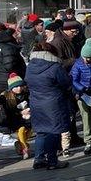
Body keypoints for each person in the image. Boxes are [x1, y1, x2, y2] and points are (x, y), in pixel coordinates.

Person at [25, 42, 72, 170]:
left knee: (41, 131)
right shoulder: (55, 67)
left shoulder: (30, 66)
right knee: (54, 131)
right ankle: (52, 161)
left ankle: (39, 159)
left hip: (36, 102)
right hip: (53, 103)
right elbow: (66, 82)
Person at [0, 73, 32, 160]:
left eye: (20, 86)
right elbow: (9, 111)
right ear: (11, 88)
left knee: (31, 128)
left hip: (25, 117)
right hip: (11, 119)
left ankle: (19, 144)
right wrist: (21, 113)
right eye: (15, 87)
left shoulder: (26, 94)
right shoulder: (7, 97)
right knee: (21, 129)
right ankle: (24, 148)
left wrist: (28, 110)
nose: (19, 88)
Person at [0, 28, 25, 95]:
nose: (17, 35)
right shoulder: (8, 47)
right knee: (11, 100)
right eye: (15, 34)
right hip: (9, 80)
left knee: (3, 98)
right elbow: (10, 66)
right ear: (10, 35)